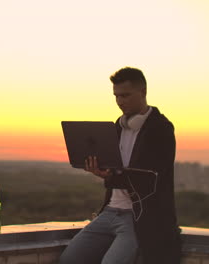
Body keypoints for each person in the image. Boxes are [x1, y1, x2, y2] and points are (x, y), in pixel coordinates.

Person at [59, 67, 181, 264]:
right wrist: (98, 166)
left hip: (138, 218)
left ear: (143, 92)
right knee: (69, 259)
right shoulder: (119, 125)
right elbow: (116, 168)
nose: (119, 102)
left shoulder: (161, 128)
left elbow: (150, 178)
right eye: (116, 96)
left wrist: (109, 176)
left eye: (125, 95)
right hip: (109, 212)